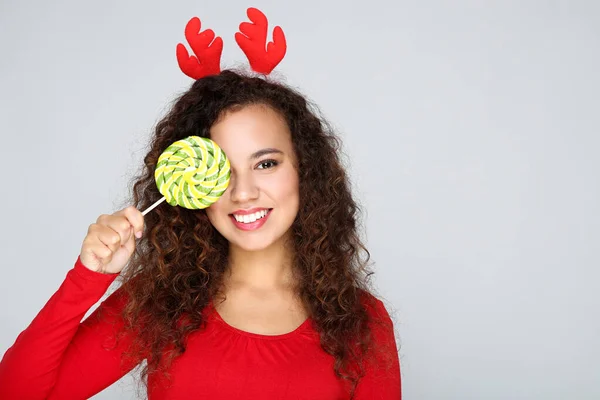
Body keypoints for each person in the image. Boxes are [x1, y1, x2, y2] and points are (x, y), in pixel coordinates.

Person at [0, 9, 401, 400]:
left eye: (266, 163)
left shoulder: (363, 322)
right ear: (192, 185)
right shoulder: (160, 304)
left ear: (304, 170)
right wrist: (88, 277)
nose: (243, 192)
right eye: (221, 169)